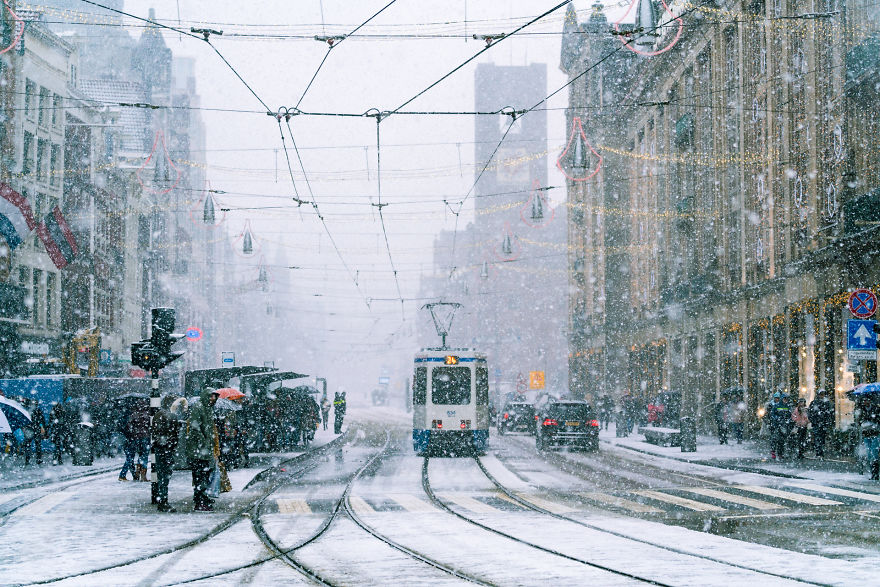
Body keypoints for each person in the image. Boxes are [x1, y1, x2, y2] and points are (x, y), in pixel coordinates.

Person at [187, 388, 220, 511]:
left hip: (204, 449)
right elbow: (195, 428)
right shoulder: (199, 407)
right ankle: (200, 500)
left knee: (204, 474)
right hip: (198, 449)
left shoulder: (207, 408)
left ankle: (201, 497)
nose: (213, 399)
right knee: (200, 474)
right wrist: (204, 442)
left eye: (215, 396)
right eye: (211, 396)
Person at [152, 395, 182, 512]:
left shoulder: (157, 415)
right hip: (167, 449)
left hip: (160, 448)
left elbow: (155, 432)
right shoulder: (171, 416)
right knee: (165, 475)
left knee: (161, 475)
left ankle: (161, 500)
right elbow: (174, 433)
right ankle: (163, 501)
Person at [857, 394, 880, 481]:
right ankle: (872, 472)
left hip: (875, 433)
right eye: (864, 401)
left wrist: (872, 420)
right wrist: (862, 421)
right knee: (869, 454)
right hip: (866, 434)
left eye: (867, 400)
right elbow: (859, 421)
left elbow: (878, 419)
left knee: (874, 453)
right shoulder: (861, 410)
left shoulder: (876, 409)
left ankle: (875, 473)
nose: (866, 402)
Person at [129, 402, 151, 482]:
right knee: (144, 455)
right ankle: (143, 475)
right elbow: (150, 425)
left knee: (140, 454)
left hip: (136, 437)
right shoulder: (147, 415)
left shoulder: (134, 414)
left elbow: (130, 425)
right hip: (145, 436)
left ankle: (137, 472)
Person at [808, 389, 834, 458]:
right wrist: (813, 420)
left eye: (823, 394)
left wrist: (828, 421)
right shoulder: (814, 403)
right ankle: (818, 452)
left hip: (823, 424)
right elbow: (810, 413)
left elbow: (830, 413)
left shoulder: (827, 403)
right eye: (821, 394)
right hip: (817, 423)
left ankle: (820, 452)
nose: (822, 396)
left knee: (822, 438)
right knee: (817, 438)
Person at [767, 392, 793, 460]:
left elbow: (790, 415)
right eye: (784, 399)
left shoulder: (787, 406)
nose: (785, 400)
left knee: (781, 441)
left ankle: (780, 453)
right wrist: (777, 419)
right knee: (775, 439)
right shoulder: (776, 405)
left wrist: (788, 421)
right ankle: (773, 451)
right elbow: (772, 414)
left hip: (784, 426)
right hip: (776, 425)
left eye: (786, 399)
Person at [24, 400, 46, 465]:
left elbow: (40, 420)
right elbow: (41, 420)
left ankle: (28, 460)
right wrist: (42, 427)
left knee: (29, 445)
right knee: (37, 445)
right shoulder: (37, 411)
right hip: (35, 429)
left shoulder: (28, 411)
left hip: (30, 429)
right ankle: (38, 459)